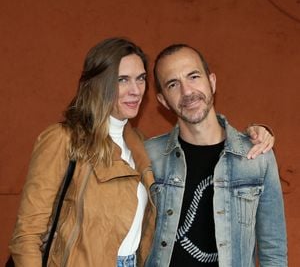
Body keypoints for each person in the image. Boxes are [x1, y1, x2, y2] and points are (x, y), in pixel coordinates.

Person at [9, 37, 274, 267]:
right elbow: (27, 236)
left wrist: (255, 132)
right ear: (97, 83)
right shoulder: (63, 139)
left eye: (140, 79)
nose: (135, 90)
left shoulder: (141, 145)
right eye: (122, 80)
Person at [144, 44, 287, 266]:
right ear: (163, 101)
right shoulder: (148, 156)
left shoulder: (256, 156)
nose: (187, 92)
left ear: (211, 82)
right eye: (173, 84)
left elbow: (273, 250)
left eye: (193, 76)